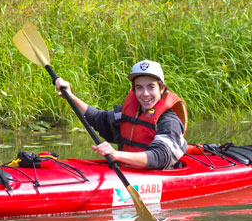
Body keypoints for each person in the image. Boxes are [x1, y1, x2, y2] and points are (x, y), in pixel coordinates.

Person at [55, 60, 188, 169]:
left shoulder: (169, 121)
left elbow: (159, 157)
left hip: (159, 178)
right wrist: (70, 97)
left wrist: (116, 154)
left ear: (162, 88)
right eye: (139, 87)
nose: (145, 93)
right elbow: (98, 119)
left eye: (151, 87)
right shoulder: (128, 112)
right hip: (126, 170)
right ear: (134, 89)